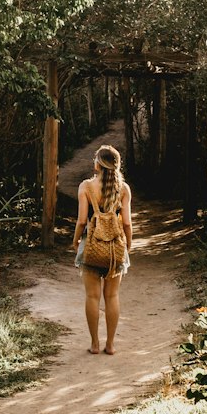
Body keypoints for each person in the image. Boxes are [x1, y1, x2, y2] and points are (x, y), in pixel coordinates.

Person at [71, 143, 132, 355]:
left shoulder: (86, 187)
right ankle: (111, 345)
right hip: (115, 248)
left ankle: (95, 344)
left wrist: (76, 241)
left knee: (92, 297)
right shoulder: (123, 189)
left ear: (98, 164)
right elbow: (126, 224)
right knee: (112, 296)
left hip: (92, 247)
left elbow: (81, 221)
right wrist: (128, 245)